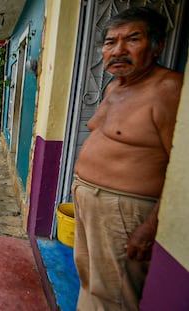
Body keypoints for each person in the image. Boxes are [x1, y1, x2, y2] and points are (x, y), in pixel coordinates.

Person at [72, 7, 183, 311]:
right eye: (110, 42)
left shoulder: (168, 89)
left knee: (116, 296)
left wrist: (151, 225)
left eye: (133, 39)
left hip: (123, 209)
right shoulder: (114, 87)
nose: (118, 50)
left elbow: (183, 167)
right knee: (90, 281)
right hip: (89, 200)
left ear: (157, 45)